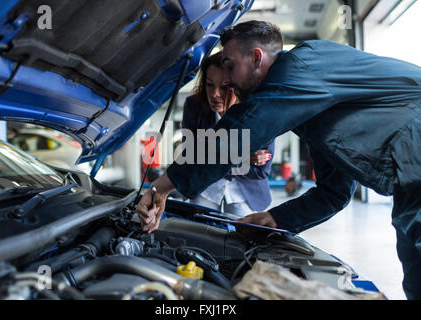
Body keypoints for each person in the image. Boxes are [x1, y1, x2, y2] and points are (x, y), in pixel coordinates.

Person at [136, 20, 421, 299]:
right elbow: (333, 193)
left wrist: (161, 187)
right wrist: (274, 219)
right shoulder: (313, 108)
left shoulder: (302, 66)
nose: (227, 80)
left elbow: (238, 133)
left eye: (230, 66)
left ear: (257, 58)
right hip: (410, 181)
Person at [181, 52, 274, 216]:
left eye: (224, 87)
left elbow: (261, 171)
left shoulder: (257, 110)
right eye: (209, 85)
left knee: (245, 238)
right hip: (204, 187)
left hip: (246, 192)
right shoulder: (194, 106)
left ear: (237, 85)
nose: (215, 94)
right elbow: (189, 155)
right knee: (198, 235)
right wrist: (241, 159)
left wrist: (211, 156)